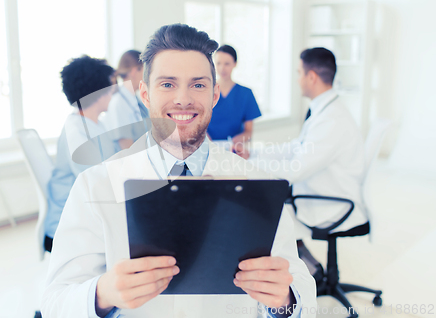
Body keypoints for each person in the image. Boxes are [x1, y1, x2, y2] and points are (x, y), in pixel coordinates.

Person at [41, 24, 316, 318]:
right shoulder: (95, 186)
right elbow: (55, 302)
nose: (183, 99)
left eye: (198, 85)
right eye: (167, 84)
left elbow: (302, 293)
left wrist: (285, 300)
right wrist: (102, 294)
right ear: (145, 96)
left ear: (214, 95)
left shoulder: (258, 184)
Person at [260, 47, 367, 239]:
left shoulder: (332, 120)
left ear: (311, 77)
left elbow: (295, 171)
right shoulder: (325, 110)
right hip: (318, 192)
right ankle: (311, 266)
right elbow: (297, 146)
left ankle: (309, 268)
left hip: (330, 204)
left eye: (299, 73)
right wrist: (256, 154)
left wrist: (253, 165)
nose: (297, 80)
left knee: (261, 217)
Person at [43, 55, 119, 252]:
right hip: (68, 227)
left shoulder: (95, 124)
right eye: (111, 87)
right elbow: (97, 183)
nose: (114, 91)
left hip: (87, 215)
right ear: (99, 92)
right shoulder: (76, 131)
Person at [208, 45, 262, 159]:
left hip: (235, 151)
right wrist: (204, 138)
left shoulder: (246, 93)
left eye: (227, 64)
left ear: (235, 64)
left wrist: (238, 139)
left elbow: (248, 131)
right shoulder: (205, 91)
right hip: (208, 149)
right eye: (218, 63)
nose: (222, 68)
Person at [102, 50, 149, 150]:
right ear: (134, 71)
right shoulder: (118, 103)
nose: (147, 75)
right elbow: (127, 149)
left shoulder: (135, 99)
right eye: (144, 70)